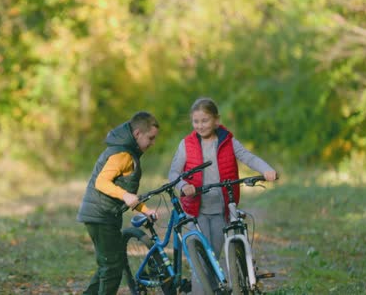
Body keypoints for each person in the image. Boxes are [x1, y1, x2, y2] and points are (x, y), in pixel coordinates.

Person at [168, 97, 277, 294]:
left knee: (215, 257)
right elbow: (173, 173)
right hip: (196, 210)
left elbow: (248, 157)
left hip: (220, 210)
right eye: (196, 121)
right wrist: (184, 186)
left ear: (216, 120)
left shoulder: (227, 141)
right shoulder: (187, 144)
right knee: (200, 263)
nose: (200, 125)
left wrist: (267, 170)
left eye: (205, 120)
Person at [77, 111, 160, 295]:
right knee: (113, 269)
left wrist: (145, 209)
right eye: (151, 138)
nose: (153, 143)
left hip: (103, 214)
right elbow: (101, 182)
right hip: (101, 216)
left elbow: (127, 192)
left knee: (107, 266)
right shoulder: (122, 154)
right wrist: (125, 196)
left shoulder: (128, 152)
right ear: (137, 133)